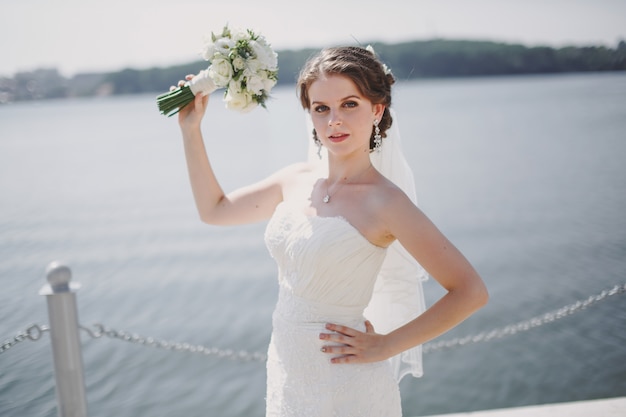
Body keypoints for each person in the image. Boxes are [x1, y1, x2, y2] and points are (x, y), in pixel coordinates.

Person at [176, 46, 488, 417]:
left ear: (377, 109)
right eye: (321, 108)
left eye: (349, 104)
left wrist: (386, 346)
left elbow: (470, 291)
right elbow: (215, 210)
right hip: (286, 371)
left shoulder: (386, 202)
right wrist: (190, 130)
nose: (333, 121)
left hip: (348, 388)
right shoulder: (294, 179)